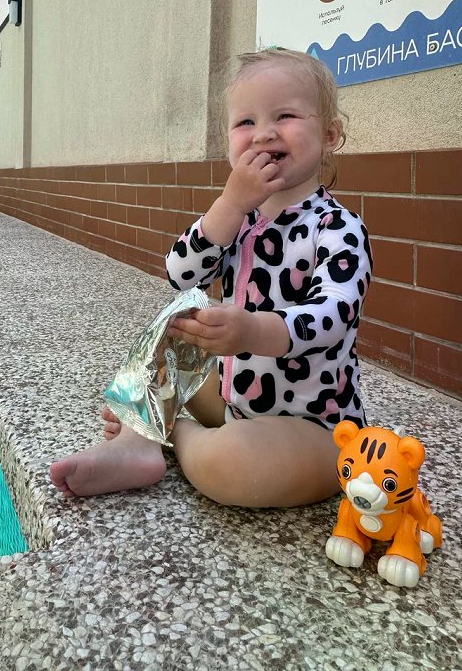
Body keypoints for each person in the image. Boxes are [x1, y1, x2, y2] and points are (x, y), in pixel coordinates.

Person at [50, 47, 373, 508]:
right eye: (245, 122)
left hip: (316, 428)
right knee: (177, 327)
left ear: (329, 134)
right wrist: (229, 205)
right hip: (233, 397)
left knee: (236, 466)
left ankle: (169, 431)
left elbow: (332, 316)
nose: (263, 133)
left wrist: (252, 330)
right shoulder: (239, 218)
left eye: (284, 116)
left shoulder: (337, 227)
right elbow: (180, 274)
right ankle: (137, 444)